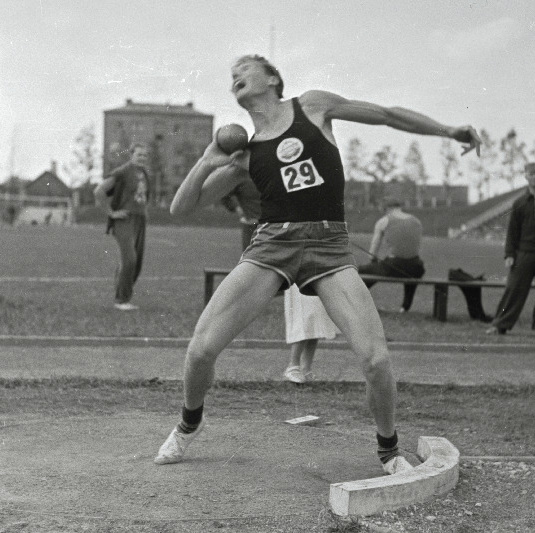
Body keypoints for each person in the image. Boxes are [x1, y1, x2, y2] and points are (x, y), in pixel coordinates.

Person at [155, 54, 481, 475]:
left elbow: (386, 115)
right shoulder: (243, 156)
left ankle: (388, 451)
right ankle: (188, 424)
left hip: (329, 245)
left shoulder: (312, 106)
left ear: (272, 77)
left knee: (376, 361)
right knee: (200, 351)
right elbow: (181, 208)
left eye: (244, 69)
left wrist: (447, 130)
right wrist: (206, 160)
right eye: (230, 75)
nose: (234, 76)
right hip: (272, 246)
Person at [486, 162, 535, 338]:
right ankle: (500, 325)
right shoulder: (520, 202)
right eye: (531, 174)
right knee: (514, 289)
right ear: (526, 176)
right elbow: (512, 232)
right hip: (524, 253)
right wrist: (509, 254)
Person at [94, 143, 151, 311]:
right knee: (130, 260)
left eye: (144, 155)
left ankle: (122, 294)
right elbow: (99, 191)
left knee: (137, 263)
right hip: (124, 219)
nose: (142, 158)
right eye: (139, 154)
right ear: (131, 155)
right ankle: (121, 300)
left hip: (140, 220)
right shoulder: (123, 171)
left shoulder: (144, 173)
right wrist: (111, 213)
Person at [358, 198, 425, 312]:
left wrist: (373, 260)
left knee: (363, 269)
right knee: (410, 270)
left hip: (393, 266)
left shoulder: (384, 221)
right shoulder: (416, 221)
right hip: (416, 267)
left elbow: (373, 251)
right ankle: (405, 306)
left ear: (387, 208)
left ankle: (358, 301)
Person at [283, 284, 338, 384]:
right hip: (300, 279)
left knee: (315, 322)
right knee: (304, 318)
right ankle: (292, 366)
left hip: (316, 276)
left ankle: (306, 368)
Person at [220, 178, 261, 251]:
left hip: (270, 224)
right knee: (250, 255)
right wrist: (236, 208)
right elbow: (224, 195)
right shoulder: (242, 177)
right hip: (250, 224)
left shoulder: (270, 174)